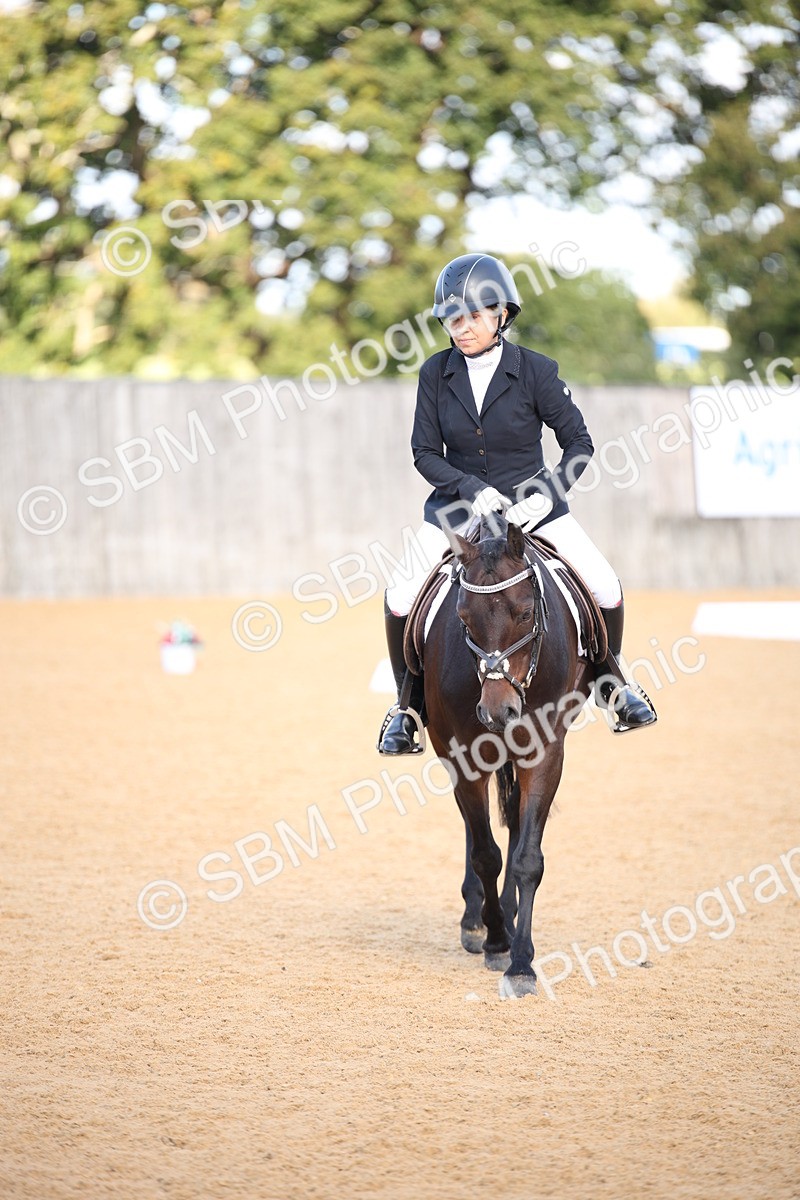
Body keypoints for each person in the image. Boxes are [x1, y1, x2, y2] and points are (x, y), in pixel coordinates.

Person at [377, 252, 657, 754]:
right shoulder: (434, 373)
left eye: (472, 317)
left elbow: (580, 444)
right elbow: (423, 453)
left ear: (501, 314)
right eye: (452, 319)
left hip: (534, 508)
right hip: (458, 511)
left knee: (605, 585)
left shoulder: (537, 371)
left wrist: (542, 496)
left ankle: (612, 684)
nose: (461, 328)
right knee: (400, 593)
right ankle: (408, 709)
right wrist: (470, 488)